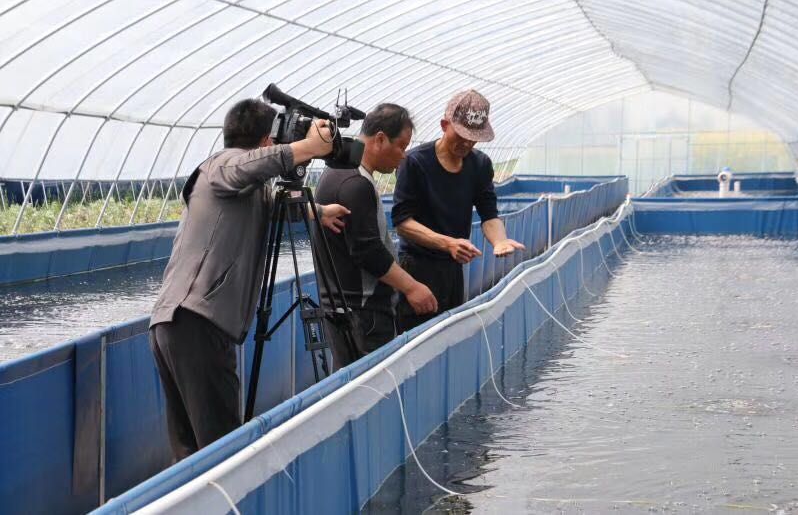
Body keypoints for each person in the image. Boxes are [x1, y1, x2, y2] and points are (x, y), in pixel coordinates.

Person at [149, 98, 349, 461]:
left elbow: (272, 208)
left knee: (192, 451)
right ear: (267, 141)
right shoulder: (222, 165)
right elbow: (246, 167)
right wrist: (306, 147)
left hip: (178, 321)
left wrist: (317, 211)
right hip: (195, 320)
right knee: (220, 451)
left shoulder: (243, 191)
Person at [313, 103, 437, 369]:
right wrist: (411, 287)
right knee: (371, 388)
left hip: (341, 309)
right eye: (401, 146)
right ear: (380, 139)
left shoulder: (335, 171)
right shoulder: (355, 183)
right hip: (363, 314)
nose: (403, 156)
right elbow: (367, 251)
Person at [392, 90, 525, 333]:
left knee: (450, 333)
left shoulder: (480, 165)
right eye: (461, 135)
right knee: (416, 339)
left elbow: (489, 214)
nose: (467, 143)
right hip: (416, 267)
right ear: (445, 125)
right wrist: (448, 243)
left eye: (474, 138)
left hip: (453, 269)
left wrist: (500, 241)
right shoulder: (415, 162)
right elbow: (403, 222)